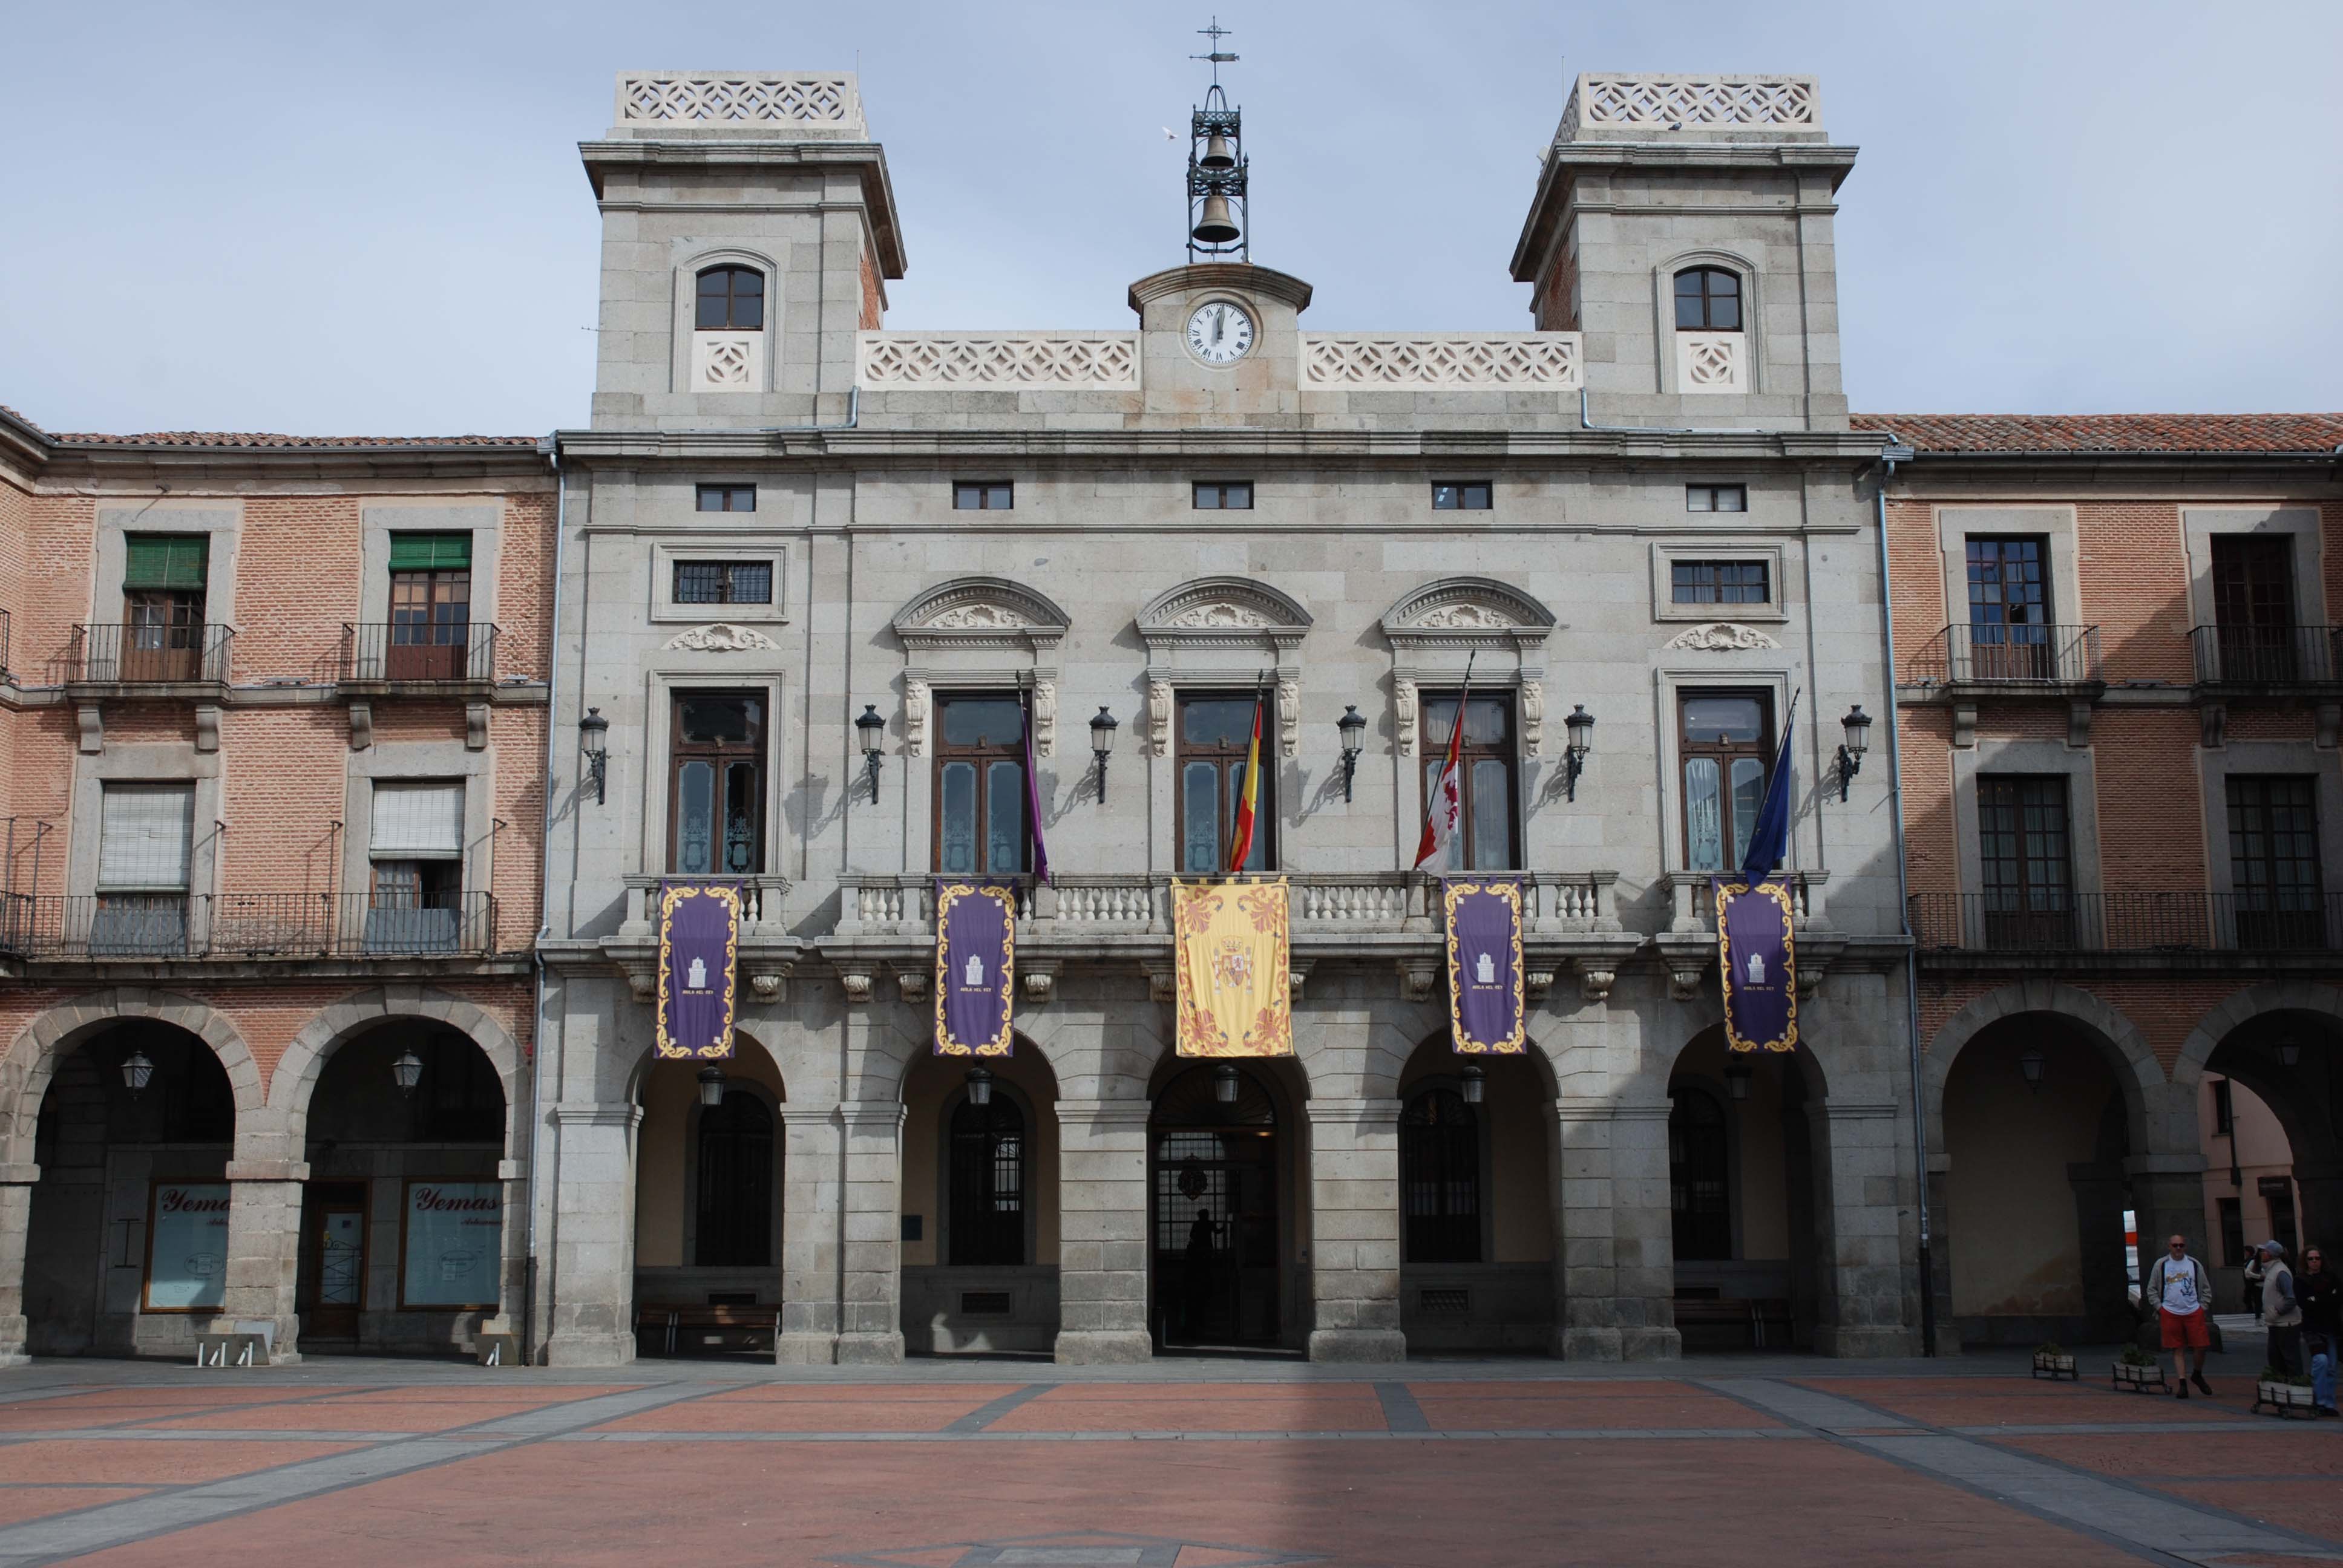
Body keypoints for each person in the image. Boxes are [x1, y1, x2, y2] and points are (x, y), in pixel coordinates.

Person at [2149, 1233, 2214, 1397]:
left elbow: (2206, 1288)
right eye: (2175, 1245)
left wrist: (2202, 1307)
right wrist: (2160, 1308)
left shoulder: (2194, 1264)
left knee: (2201, 1346)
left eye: (2181, 1245)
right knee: (2177, 1348)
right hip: (2170, 1311)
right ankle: (2182, 1382)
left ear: (2185, 1247)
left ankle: (2197, 1374)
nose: (2178, 1248)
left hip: (2193, 1311)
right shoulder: (2161, 1265)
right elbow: (2152, 1289)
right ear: (2169, 1246)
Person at [2299, 1243, 2338, 1418]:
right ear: (2306, 1261)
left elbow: (2337, 1298)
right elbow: (2304, 1302)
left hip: (2332, 1326)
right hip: (2312, 1327)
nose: (2314, 1262)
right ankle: (2320, 1400)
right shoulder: (2301, 1279)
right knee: (2321, 1361)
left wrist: (2319, 1300)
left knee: (2331, 1366)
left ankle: (2329, 1403)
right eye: (2311, 1259)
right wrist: (2324, 1300)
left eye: (2317, 1258)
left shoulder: (2331, 1278)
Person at [2258, 1240, 2303, 1380]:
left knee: (2290, 1359)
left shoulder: (2281, 1272)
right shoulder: (2272, 1270)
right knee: (2276, 1359)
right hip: (2277, 1323)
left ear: (2270, 1254)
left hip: (2286, 1324)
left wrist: (2277, 1312)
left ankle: (2297, 1388)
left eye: (2264, 1251)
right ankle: (2282, 1389)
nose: (2261, 1254)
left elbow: (2291, 1298)